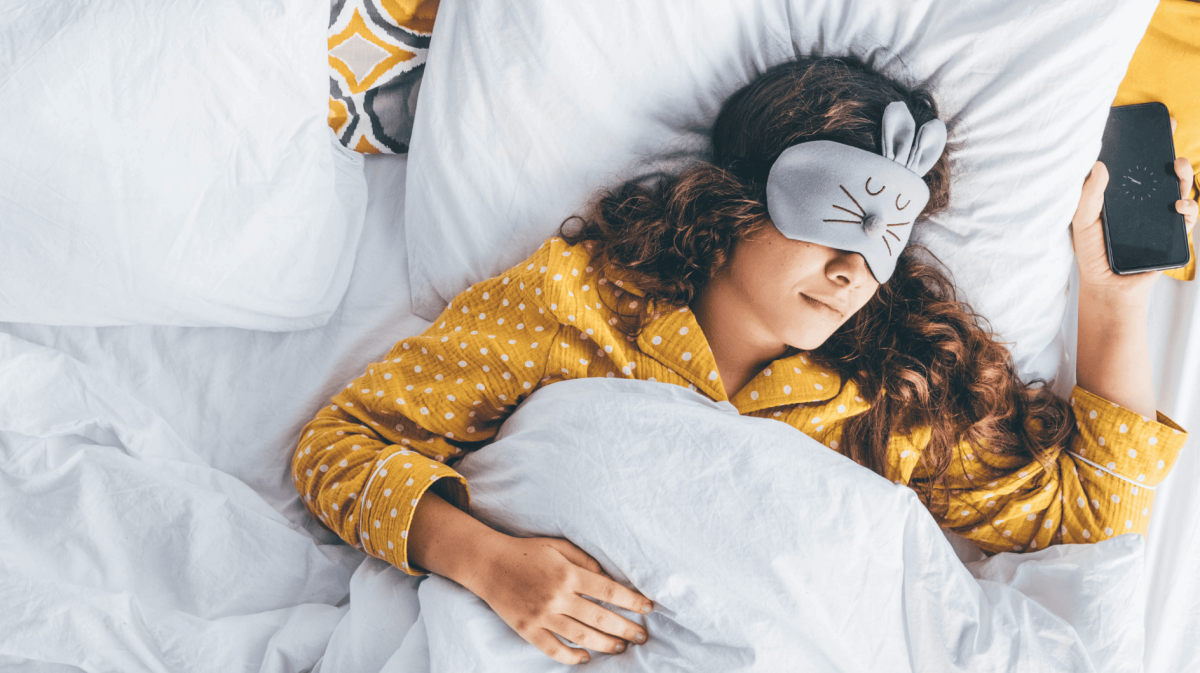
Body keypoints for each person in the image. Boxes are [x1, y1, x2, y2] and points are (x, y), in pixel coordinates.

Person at [291, 55, 1196, 666]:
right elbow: (342, 445)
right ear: (734, 201)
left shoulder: (889, 398)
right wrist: (482, 558)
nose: (854, 267)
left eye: (886, 238)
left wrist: (1114, 296)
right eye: (838, 216)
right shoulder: (579, 301)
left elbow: (1095, 526)